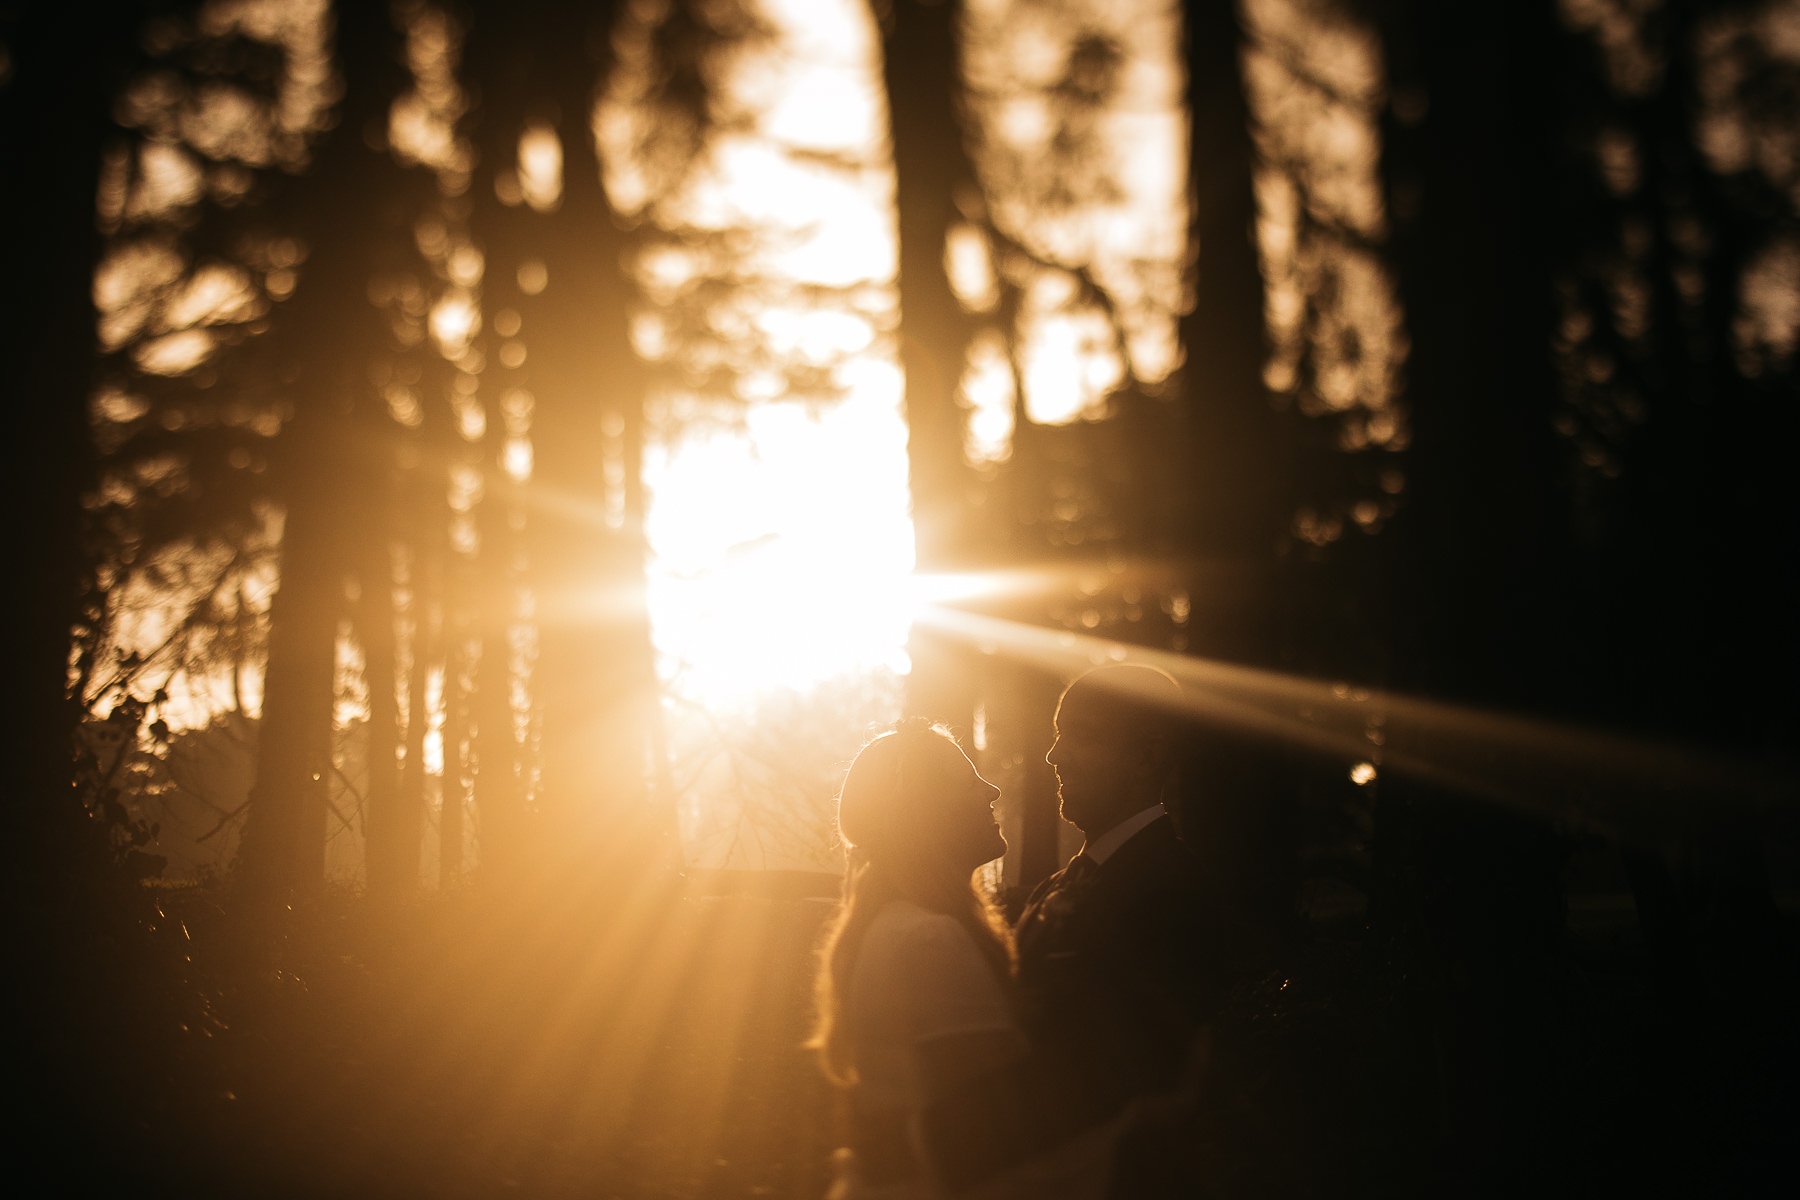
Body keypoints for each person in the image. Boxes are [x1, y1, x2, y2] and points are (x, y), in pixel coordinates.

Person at [811, 720, 1118, 1199]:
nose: (992, 789)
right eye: (970, 782)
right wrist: (1138, 1120)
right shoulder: (927, 938)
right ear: (926, 811)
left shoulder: (897, 925)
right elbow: (990, 1131)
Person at [1013, 664, 1217, 1130]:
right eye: (1057, 734)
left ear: (1146, 757)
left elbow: (1119, 1071)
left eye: (1081, 735)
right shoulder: (1056, 886)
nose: (1053, 755)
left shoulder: (1170, 889)